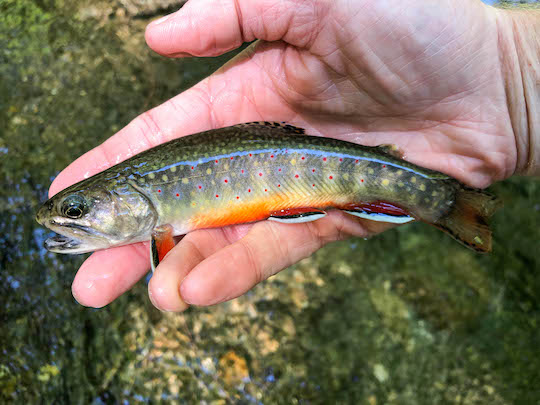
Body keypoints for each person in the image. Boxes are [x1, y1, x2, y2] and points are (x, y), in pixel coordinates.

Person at [49, 0, 539, 311]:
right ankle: (450, 202)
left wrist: (511, 77)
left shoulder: (160, 222)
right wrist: (514, 86)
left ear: (124, 194)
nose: (71, 219)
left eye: (77, 211)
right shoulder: (150, 198)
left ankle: (448, 202)